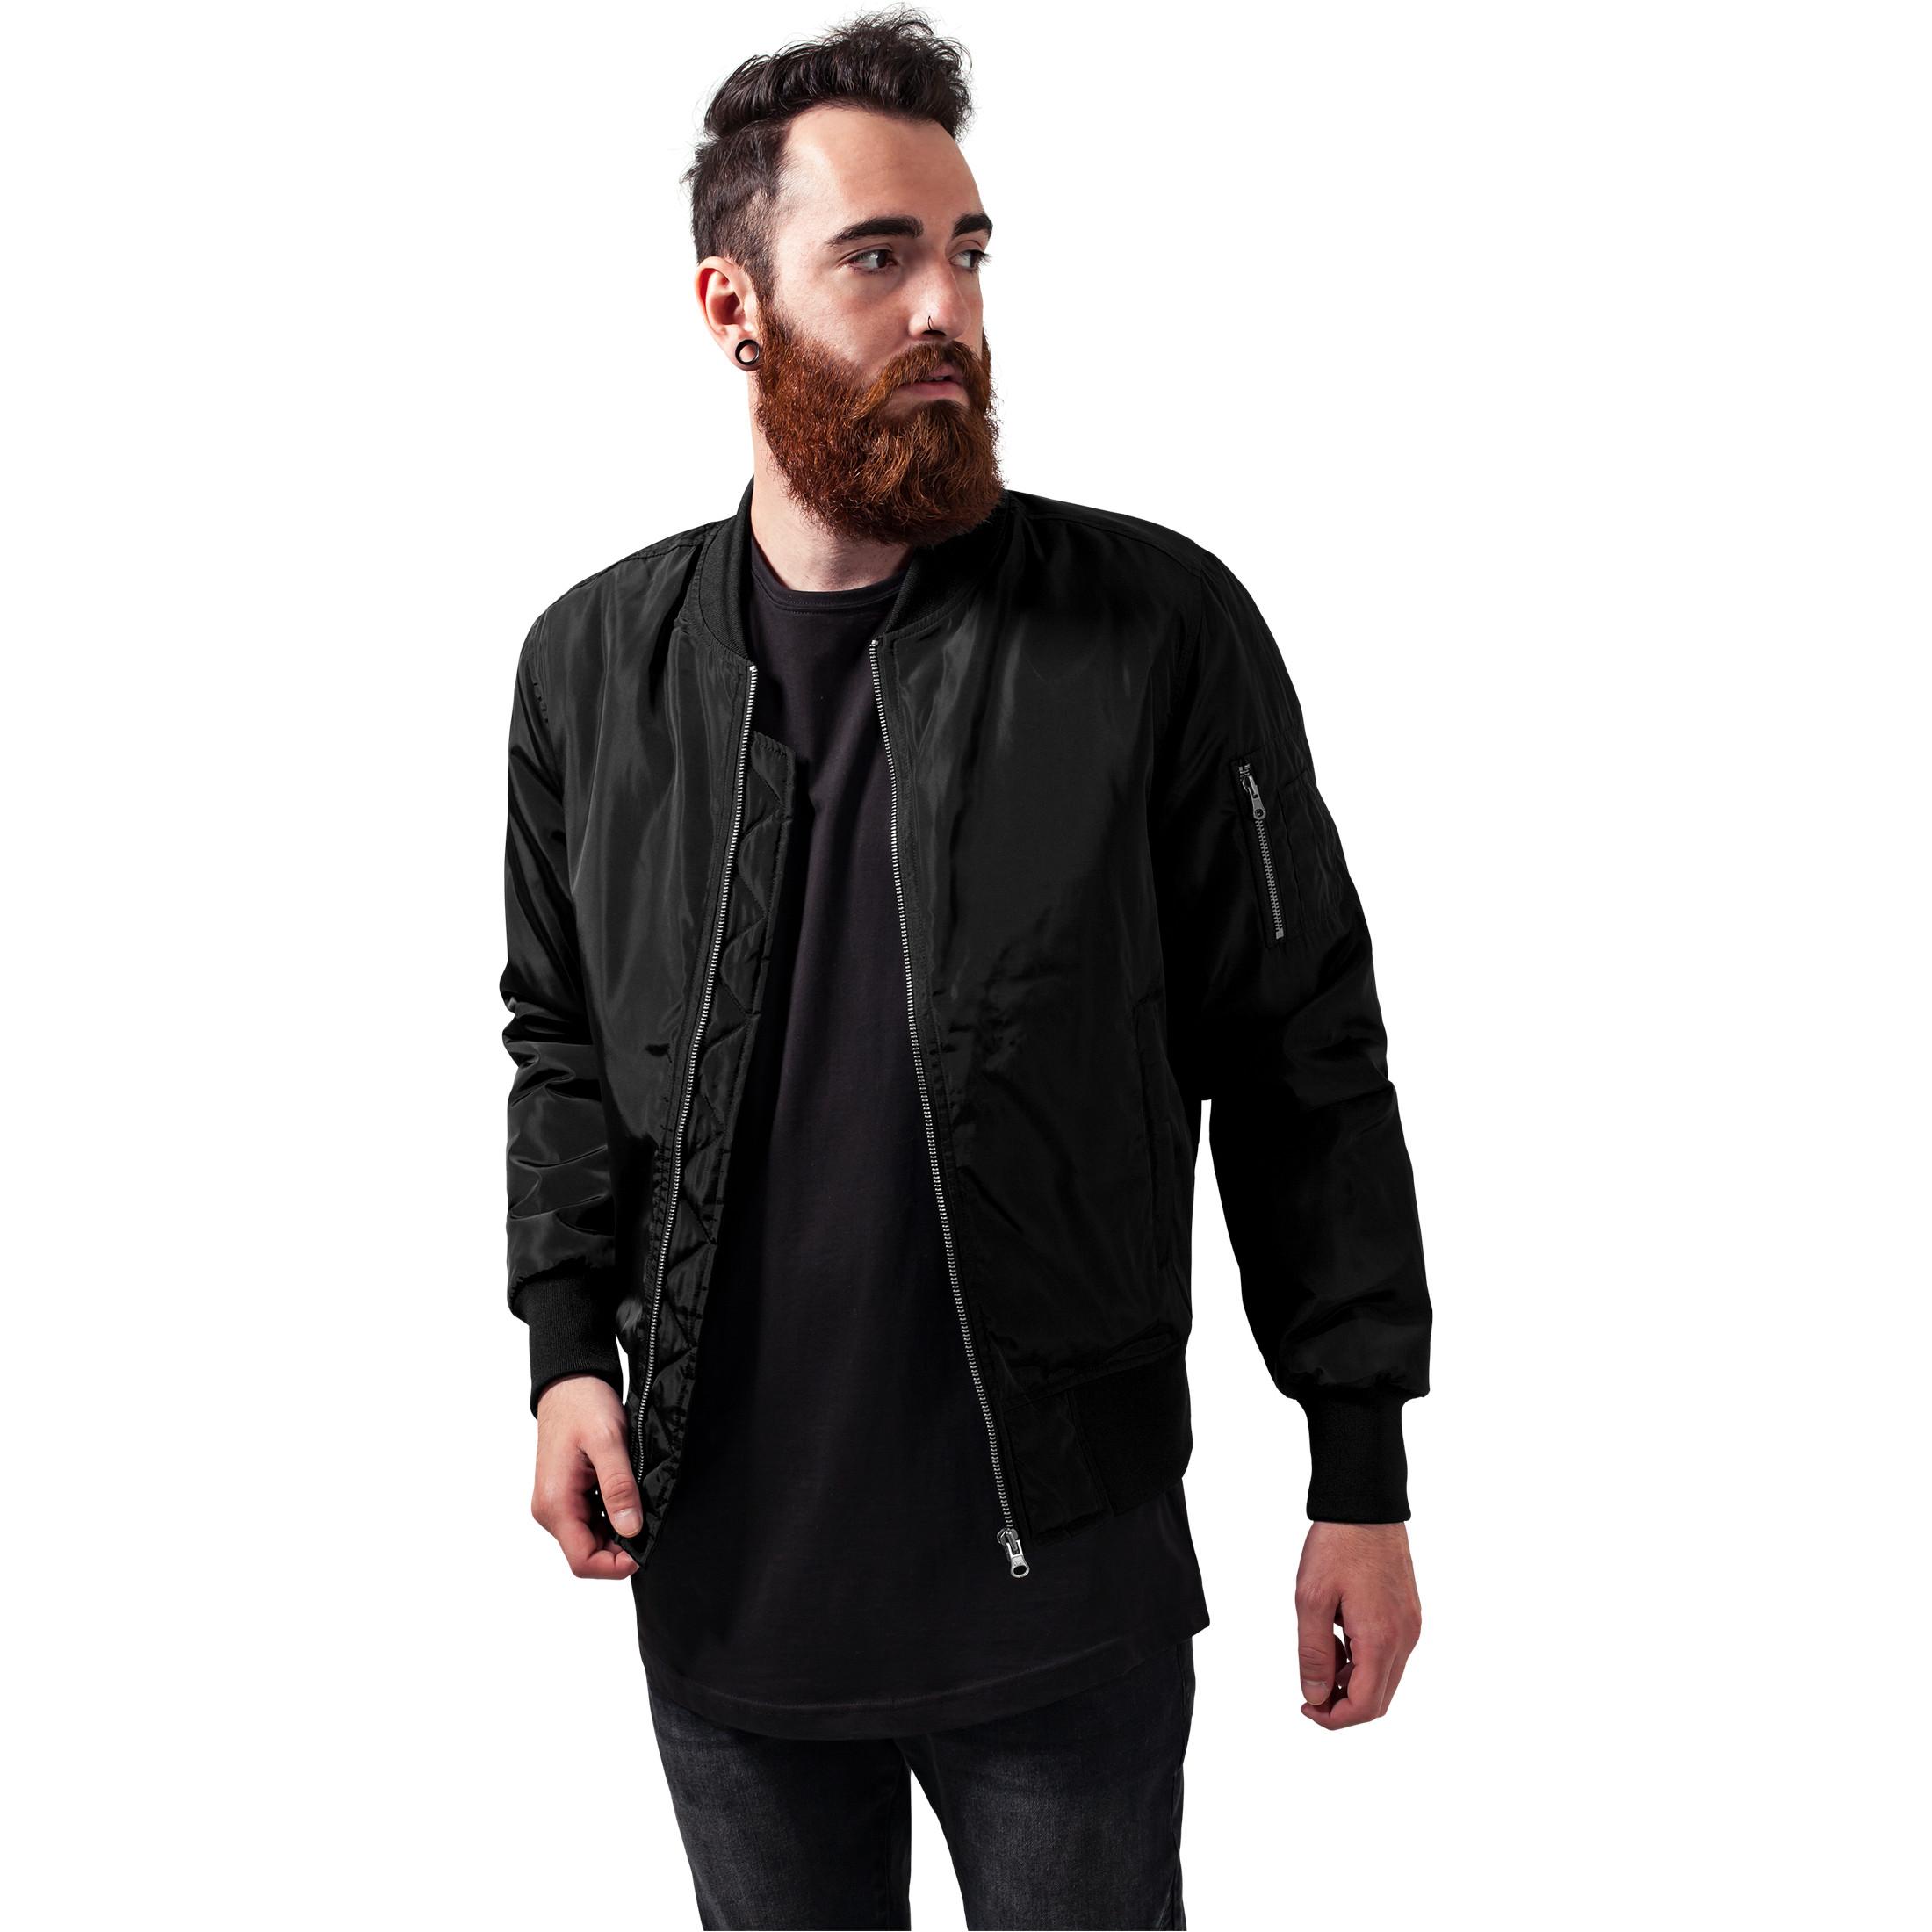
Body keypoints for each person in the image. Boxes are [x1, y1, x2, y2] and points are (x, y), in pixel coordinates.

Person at [501, 11, 1431, 1928]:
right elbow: (561, 1040)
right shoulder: (591, 666)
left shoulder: (1152, 629)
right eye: (878, 256)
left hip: (1059, 1592)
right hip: (729, 1591)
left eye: (968, 251)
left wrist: (1360, 1466)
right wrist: (563, 1350)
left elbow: (1301, 1058)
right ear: (732, 304)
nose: (948, 307)